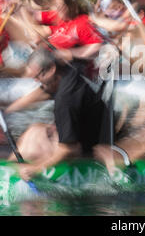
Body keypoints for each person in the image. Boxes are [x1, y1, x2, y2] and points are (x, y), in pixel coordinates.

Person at [14, 48, 109, 181]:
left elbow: (69, 149)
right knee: (37, 129)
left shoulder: (65, 100)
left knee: (34, 139)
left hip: (92, 148)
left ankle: (17, 172)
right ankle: (13, 167)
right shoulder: (73, 69)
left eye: (38, 76)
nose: (36, 81)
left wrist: (35, 169)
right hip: (100, 127)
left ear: (52, 69)